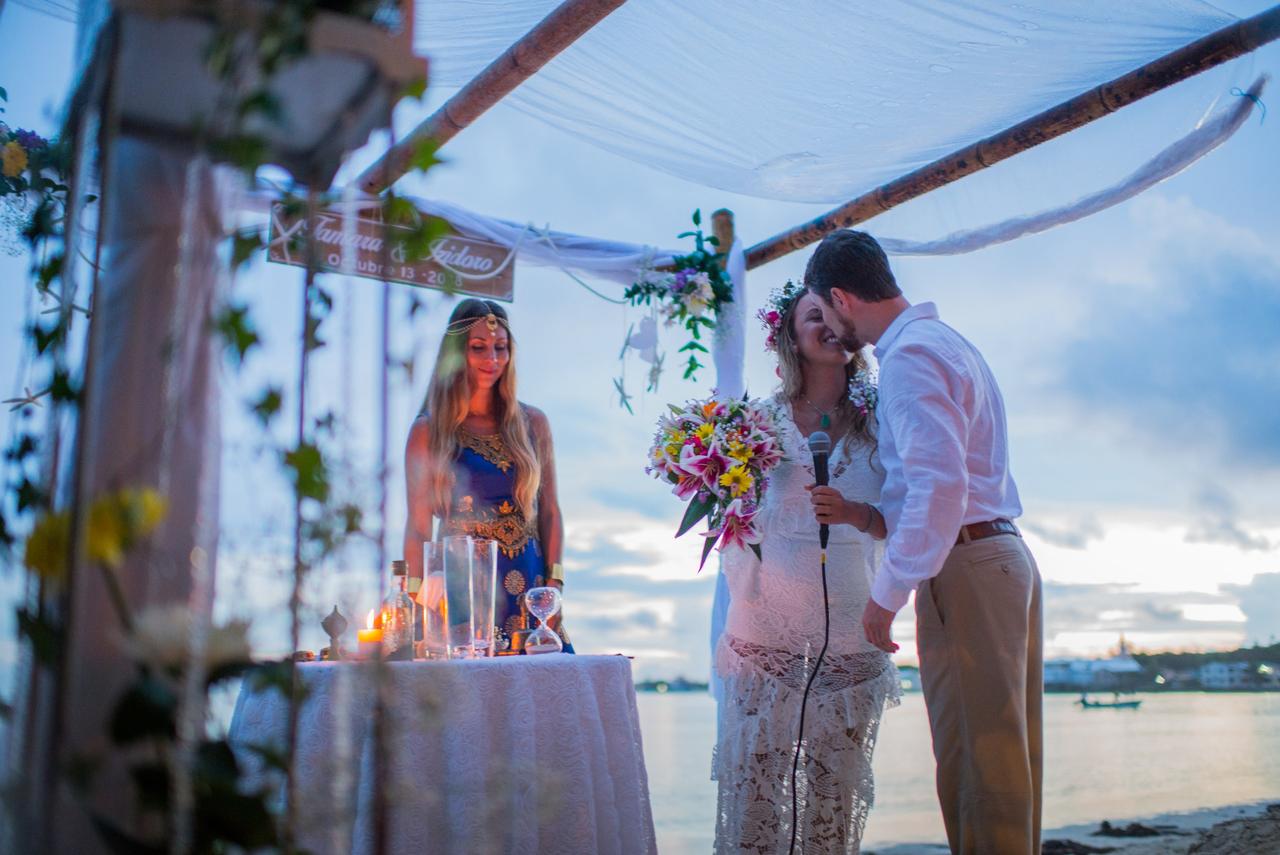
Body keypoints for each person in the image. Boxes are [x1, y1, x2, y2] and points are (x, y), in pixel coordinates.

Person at [806, 230, 1042, 854]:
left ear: (840, 297)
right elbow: (930, 483)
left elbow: (940, 487)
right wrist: (867, 516)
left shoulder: (909, 357)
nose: (830, 329)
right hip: (996, 555)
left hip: (966, 565)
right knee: (1008, 761)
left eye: (826, 313)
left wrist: (885, 595)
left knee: (977, 767)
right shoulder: (947, 341)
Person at [713, 281, 899, 854]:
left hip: (850, 636)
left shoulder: (884, 418)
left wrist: (856, 513)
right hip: (763, 637)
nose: (828, 324)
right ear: (788, 337)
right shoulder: (754, 423)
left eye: (835, 312)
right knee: (756, 800)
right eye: (812, 316)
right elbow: (730, 522)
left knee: (831, 807)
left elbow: (915, 517)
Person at [403, 298, 572, 653]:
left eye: (501, 348)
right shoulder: (428, 432)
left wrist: (554, 587)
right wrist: (413, 601)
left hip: (530, 585)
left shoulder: (533, 424)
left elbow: (551, 511)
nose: (492, 360)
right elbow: (418, 526)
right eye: (478, 348)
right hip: (459, 586)